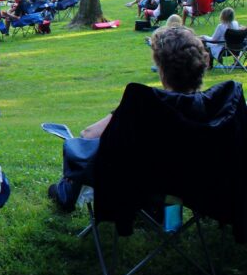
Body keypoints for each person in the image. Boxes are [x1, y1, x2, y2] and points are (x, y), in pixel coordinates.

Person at [48, 26, 212, 211]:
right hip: (195, 183)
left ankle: (67, 195)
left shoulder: (145, 104)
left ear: (162, 70)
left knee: (82, 147)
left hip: (141, 182)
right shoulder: (216, 107)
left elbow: (89, 134)